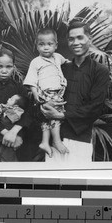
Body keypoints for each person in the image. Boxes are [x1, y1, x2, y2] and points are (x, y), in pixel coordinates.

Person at [41, 21, 110, 163]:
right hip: (55, 138)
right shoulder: (62, 68)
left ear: (89, 39)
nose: (75, 42)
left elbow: (95, 107)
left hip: (80, 140)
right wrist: (44, 106)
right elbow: (46, 91)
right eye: (71, 39)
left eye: (80, 37)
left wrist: (61, 115)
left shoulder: (99, 71)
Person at [23, 28, 69, 158]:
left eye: (49, 44)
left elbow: (67, 63)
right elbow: (31, 79)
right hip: (46, 93)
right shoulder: (36, 61)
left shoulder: (58, 57)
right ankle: (56, 141)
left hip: (58, 92)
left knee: (46, 117)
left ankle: (44, 142)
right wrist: (35, 93)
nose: (46, 48)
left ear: (56, 45)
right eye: (41, 44)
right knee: (56, 115)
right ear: (37, 46)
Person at [0, 94, 28, 161]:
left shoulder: (18, 112)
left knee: (8, 158)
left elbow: (11, 118)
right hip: (0, 138)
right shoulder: (5, 107)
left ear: (16, 106)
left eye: (11, 99)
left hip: (9, 140)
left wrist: (4, 110)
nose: (8, 99)